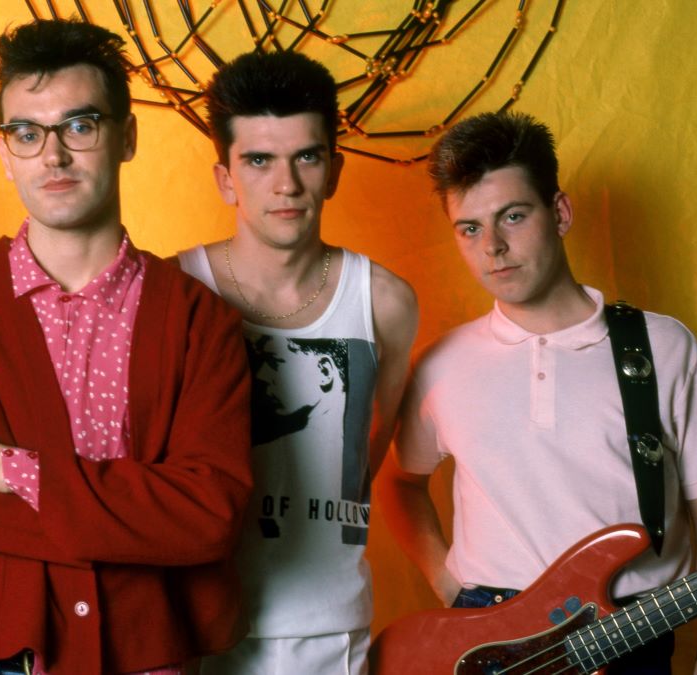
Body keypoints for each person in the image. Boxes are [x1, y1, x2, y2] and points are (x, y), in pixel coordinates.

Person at [0, 19, 253, 675]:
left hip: (141, 655)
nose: (52, 156)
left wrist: (9, 470)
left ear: (126, 137)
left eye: (80, 126)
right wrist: (129, 517)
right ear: (4, 151)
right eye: (27, 133)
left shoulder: (201, 321)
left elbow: (207, 514)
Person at [379, 110, 697, 674]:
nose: (493, 247)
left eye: (514, 216)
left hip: (629, 640)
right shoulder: (441, 366)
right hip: (488, 647)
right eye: (470, 228)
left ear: (560, 212)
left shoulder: (662, 347)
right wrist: (450, 585)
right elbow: (401, 484)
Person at [176, 50, 418, 675]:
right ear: (225, 178)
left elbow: (363, 463)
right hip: (195, 627)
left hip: (333, 634)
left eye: (305, 157)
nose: (285, 185)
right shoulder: (174, 290)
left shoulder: (385, 302)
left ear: (333, 170)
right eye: (258, 160)